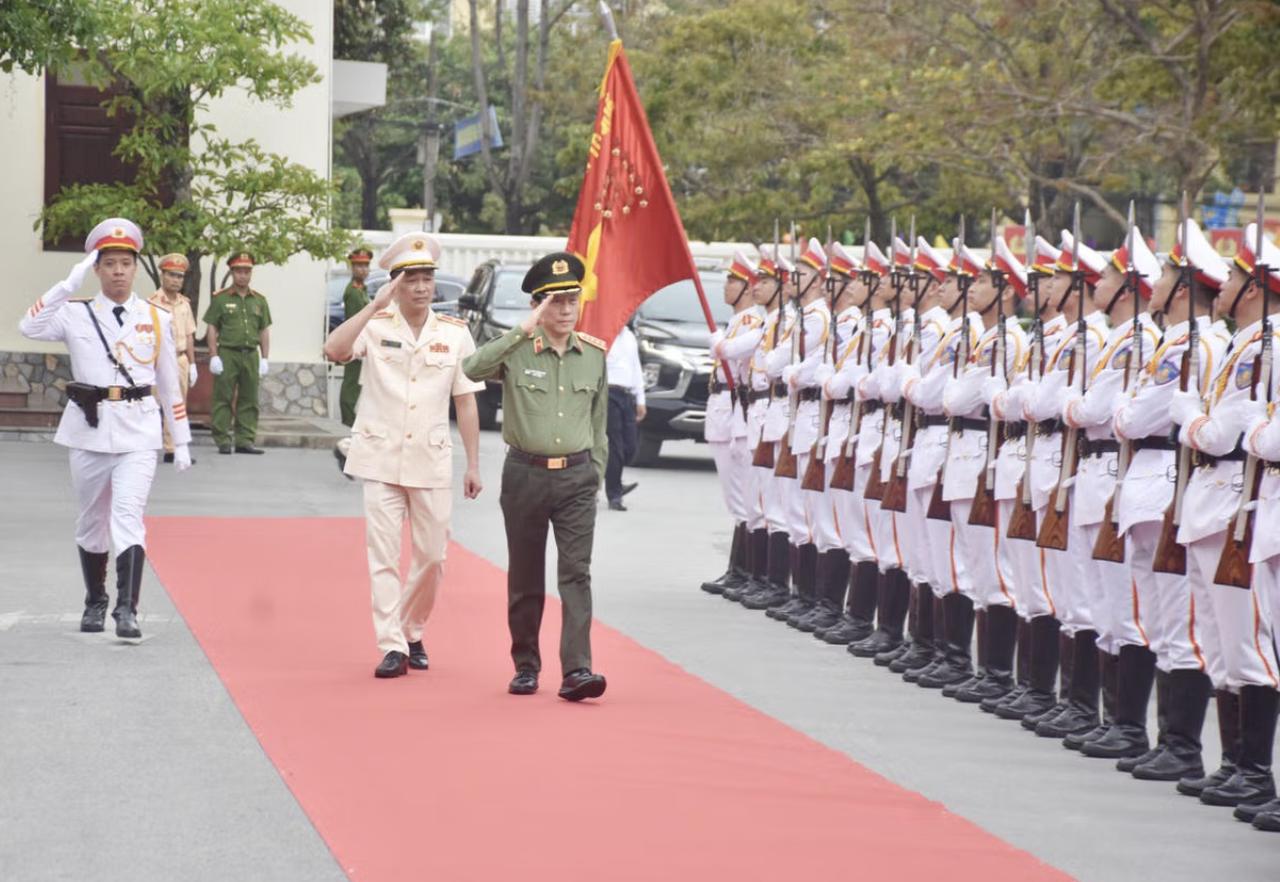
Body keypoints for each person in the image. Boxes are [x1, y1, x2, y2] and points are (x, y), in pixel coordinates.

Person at [18, 218, 192, 639]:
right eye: (109, 263)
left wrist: (180, 439)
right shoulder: (75, 314)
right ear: (96, 268)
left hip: (138, 430)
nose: (118, 271)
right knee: (92, 519)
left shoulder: (158, 317)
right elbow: (29, 326)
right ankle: (95, 600)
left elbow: (168, 382)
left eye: (125, 263)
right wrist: (65, 284)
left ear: (136, 269)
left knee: (128, 516)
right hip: (89, 430)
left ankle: (126, 610)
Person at [324, 232, 484, 678]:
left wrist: (473, 463)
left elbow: (466, 399)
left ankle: (412, 627)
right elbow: (335, 350)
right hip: (379, 455)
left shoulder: (453, 334)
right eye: (410, 278)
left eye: (426, 278)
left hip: (429, 459)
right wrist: (374, 307)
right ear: (394, 283)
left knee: (433, 556)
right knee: (383, 555)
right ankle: (392, 644)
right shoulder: (375, 325)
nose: (419, 287)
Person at [461, 251, 609, 702]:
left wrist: (595, 474)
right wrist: (521, 332)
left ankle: (577, 670)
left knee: (576, 573)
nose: (564, 311)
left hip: (577, 477)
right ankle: (526, 664)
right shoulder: (519, 349)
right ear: (537, 306)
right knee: (526, 575)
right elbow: (471, 369)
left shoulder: (594, 355)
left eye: (570, 301)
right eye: (553, 303)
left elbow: (599, 424)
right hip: (525, 474)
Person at [204, 251, 271, 455]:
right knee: (223, 397)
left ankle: (245, 440)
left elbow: (264, 330)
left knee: (249, 398)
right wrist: (214, 355)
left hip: (251, 354)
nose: (243, 275)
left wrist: (265, 358)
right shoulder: (221, 299)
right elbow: (212, 328)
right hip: (228, 353)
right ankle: (223, 439)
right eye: (239, 271)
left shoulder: (259, 300)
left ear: (251, 273)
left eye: (247, 271)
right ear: (232, 272)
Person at [148, 253, 198, 464]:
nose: (176, 280)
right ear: (162, 276)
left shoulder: (184, 304)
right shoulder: (152, 303)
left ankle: (172, 449)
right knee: (151, 404)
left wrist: (193, 363)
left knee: (177, 405)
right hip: (158, 360)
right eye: (172, 275)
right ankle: (146, 447)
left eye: (180, 276)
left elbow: (189, 335)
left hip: (179, 359)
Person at [604, 320, 646, 510]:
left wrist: (641, 399)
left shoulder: (629, 336)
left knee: (630, 446)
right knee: (615, 446)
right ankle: (614, 494)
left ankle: (615, 482)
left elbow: (635, 366)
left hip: (627, 394)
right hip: (608, 393)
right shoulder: (603, 333)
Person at [339, 247, 373, 428]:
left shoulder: (361, 289)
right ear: (352, 268)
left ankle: (351, 416)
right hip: (354, 340)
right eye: (359, 266)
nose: (363, 269)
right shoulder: (353, 291)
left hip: (359, 339)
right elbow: (355, 320)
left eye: (366, 265)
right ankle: (348, 417)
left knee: (356, 380)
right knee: (352, 380)